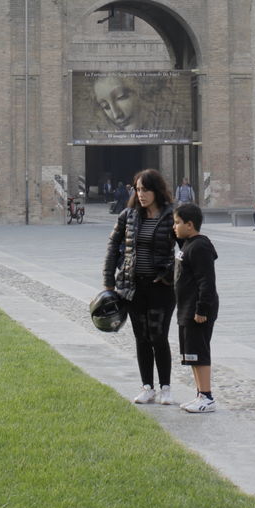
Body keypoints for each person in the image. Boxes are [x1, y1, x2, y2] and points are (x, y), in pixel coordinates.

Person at [102, 168, 176, 405]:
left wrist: (170, 274)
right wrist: (109, 282)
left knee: (159, 336)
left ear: (157, 190)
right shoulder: (129, 215)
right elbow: (113, 247)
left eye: (146, 189)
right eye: (138, 189)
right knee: (141, 337)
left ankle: (165, 387)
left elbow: (187, 249)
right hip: (133, 287)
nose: (141, 194)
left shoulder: (172, 215)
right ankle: (147, 387)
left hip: (161, 287)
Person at [173, 201, 219, 413]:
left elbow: (206, 281)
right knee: (190, 354)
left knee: (200, 351)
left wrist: (202, 309)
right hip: (186, 308)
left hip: (197, 310)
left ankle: (207, 396)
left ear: (189, 225)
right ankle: (199, 393)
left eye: (177, 223)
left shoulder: (200, 246)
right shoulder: (188, 244)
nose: (174, 226)